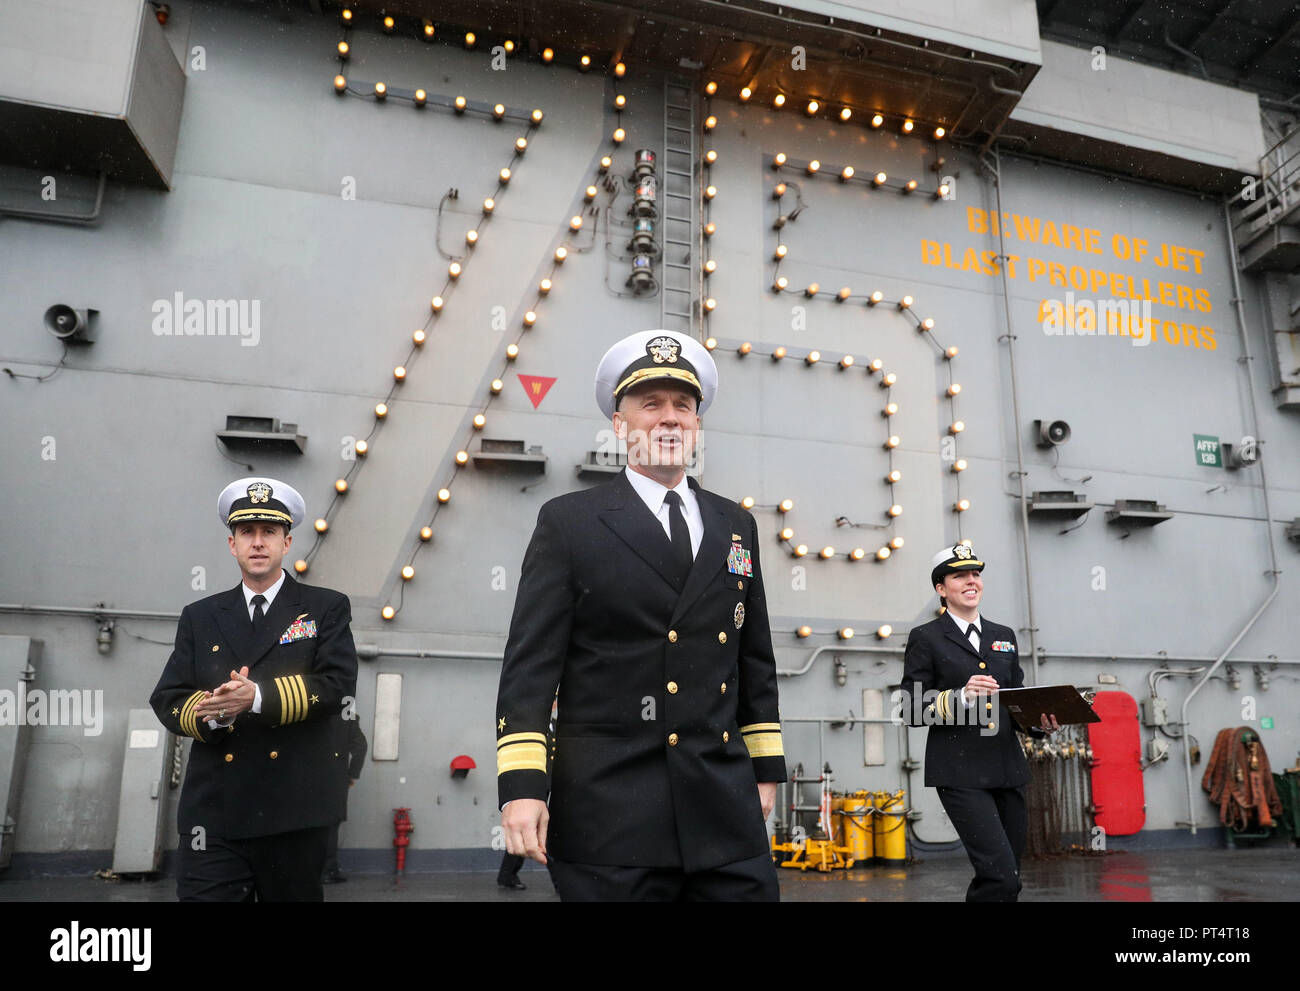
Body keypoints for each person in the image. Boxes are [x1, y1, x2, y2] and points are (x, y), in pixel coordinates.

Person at [495, 330, 787, 901]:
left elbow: (754, 656)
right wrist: (523, 788)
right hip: (612, 815)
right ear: (620, 424)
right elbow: (531, 668)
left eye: (683, 406)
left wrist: (766, 765)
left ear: (698, 425)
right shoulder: (570, 523)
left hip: (723, 809)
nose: (670, 419)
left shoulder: (736, 526)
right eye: (650, 404)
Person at [150, 477, 359, 901]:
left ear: (287, 542)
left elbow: (337, 685)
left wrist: (257, 698)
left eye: (269, 532)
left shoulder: (324, 608)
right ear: (232, 544)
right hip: (214, 812)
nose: (258, 542)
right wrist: (215, 709)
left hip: (294, 811)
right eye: (247, 532)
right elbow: (168, 697)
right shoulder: (200, 615)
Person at [900, 543, 1058, 902]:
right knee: (999, 877)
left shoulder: (1004, 636)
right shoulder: (926, 638)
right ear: (941, 588)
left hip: (1008, 769)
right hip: (960, 773)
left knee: (1009, 878)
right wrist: (961, 696)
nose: (971, 581)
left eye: (975, 574)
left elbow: (1016, 698)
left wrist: (1040, 723)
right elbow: (909, 708)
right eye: (960, 576)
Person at [323, 717, 368, 883]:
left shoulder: (310, 710)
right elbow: (360, 746)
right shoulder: (347, 716)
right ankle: (328, 871)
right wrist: (352, 774)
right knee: (331, 825)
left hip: (306, 777)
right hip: (336, 777)